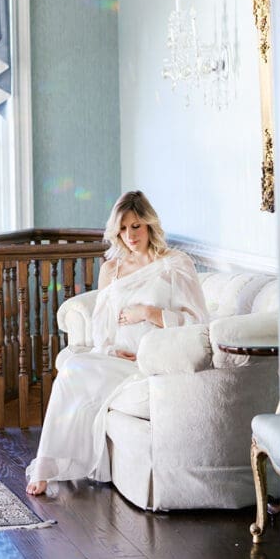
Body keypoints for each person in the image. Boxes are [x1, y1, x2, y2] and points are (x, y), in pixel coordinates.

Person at [26, 189, 209, 496]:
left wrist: (149, 313)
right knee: (72, 370)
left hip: (149, 363)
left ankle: (49, 467)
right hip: (116, 358)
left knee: (75, 372)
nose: (129, 235)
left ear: (149, 224)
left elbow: (198, 324)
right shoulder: (112, 269)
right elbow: (101, 326)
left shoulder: (175, 265)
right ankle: (47, 466)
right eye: (122, 229)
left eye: (135, 226)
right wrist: (110, 350)